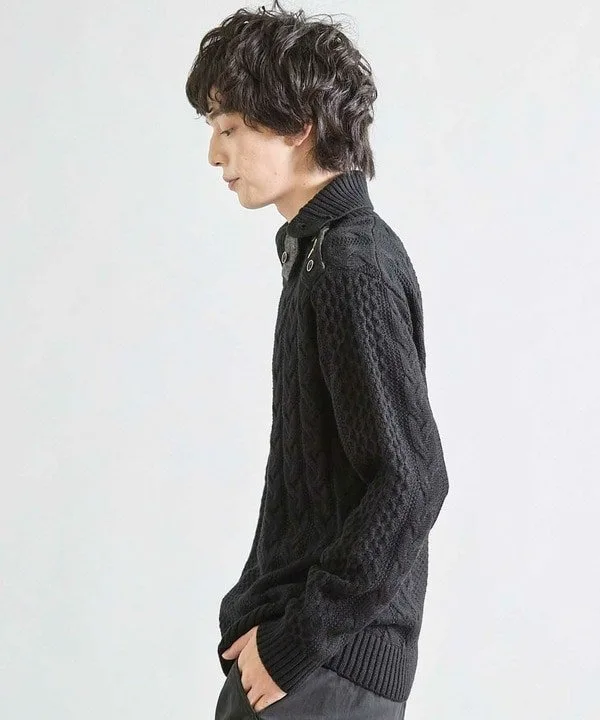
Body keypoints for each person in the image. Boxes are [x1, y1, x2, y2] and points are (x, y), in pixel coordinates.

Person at [184, 2, 450, 718]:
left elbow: (413, 479)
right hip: (311, 665)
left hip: (327, 672)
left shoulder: (349, 264)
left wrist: (297, 641)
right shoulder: (319, 254)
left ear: (298, 126)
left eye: (229, 128)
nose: (214, 154)